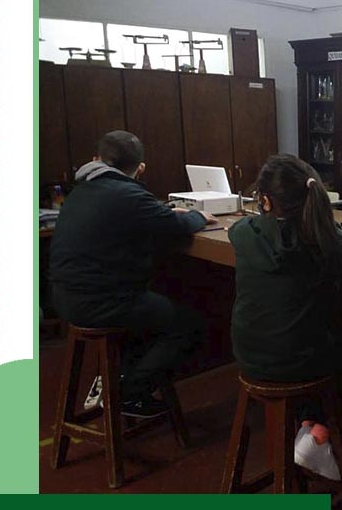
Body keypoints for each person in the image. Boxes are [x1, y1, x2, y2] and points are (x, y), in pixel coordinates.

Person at [228, 154, 342, 478]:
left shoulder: (244, 233)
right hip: (299, 362)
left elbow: (241, 229)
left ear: (264, 200)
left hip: (248, 357)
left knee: (305, 337)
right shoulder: (321, 236)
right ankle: (319, 433)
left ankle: (308, 423)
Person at [49, 130, 218, 418]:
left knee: (151, 312)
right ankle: (129, 394)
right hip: (104, 303)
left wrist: (163, 213)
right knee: (188, 326)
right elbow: (178, 227)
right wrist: (198, 216)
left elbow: (139, 217)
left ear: (96, 159)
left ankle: (114, 378)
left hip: (64, 299)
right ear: (141, 168)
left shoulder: (80, 192)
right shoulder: (130, 195)